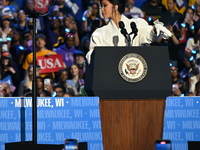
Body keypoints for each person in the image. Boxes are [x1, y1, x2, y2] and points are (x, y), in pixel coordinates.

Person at [86, 0, 172, 63]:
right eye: (101, 6)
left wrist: (155, 29)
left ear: (116, 6)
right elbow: (92, 56)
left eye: (105, 5)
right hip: (110, 78)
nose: (101, 10)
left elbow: (147, 34)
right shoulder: (99, 33)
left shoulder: (136, 24)